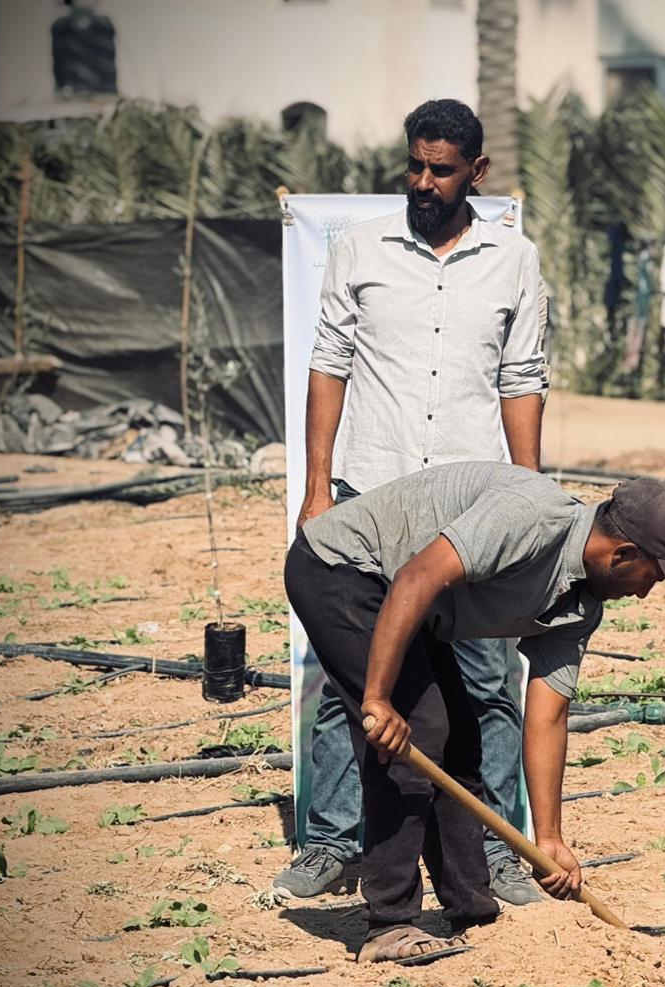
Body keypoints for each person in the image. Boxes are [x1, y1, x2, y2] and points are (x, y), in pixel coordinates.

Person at [277, 98, 549, 908]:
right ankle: (332, 840)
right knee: (352, 684)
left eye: (442, 169)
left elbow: (521, 379)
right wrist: (318, 487)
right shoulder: (358, 249)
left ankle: (496, 851)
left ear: (477, 172)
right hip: (374, 497)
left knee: (487, 679)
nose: (424, 183)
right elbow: (328, 367)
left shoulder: (514, 260)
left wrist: (528, 500)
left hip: (470, 509)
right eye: (415, 166)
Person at [285, 462, 665, 962]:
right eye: (652, 576)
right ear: (622, 554)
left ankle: (470, 906)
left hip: (409, 598)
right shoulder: (530, 517)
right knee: (415, 736)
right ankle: (389, 925)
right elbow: (417, 576)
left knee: (461, 740)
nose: (646, 590)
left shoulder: (581, 606)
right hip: (345, 569)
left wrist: (548, 838)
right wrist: (378, 698)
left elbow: (547, 717)